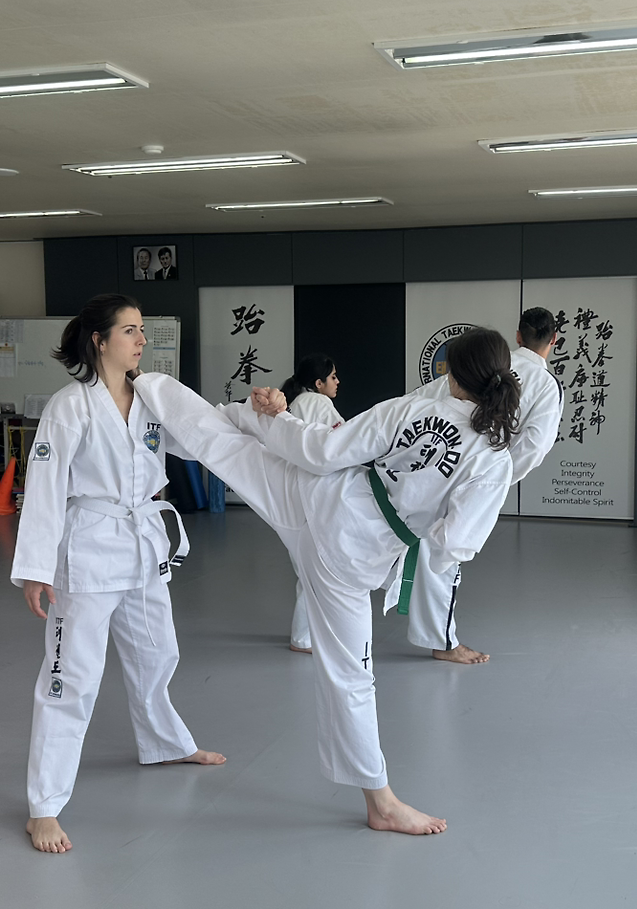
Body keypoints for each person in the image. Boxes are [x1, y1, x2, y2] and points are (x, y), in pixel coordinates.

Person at [131, 327, 520, 834]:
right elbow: (456, 545)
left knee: (228, 446)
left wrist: (276, 418)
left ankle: (142, 386)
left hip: (318, 496)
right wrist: (418, 525)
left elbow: (322, 452)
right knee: (351, 676)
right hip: (349, 555)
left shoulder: (411, 408)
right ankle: (380, 802)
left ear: (452, 374)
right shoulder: (492, 458)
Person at [12, 293, 224, 855]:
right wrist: (35, 568)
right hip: (88, 549)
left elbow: (202, 436)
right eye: (130, 330)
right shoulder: (70, 406)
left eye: (142, 330)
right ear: (99, 340)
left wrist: (253, 416)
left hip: (142, 545)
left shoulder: (151, 397)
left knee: (158, 651)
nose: (142, 340)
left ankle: (165, 743)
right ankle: (44, 806)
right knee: (71, 677)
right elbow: (46, 488)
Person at [404, 308, 564, 664]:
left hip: (434, 461)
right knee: (446, 552)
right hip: (475, 474)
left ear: (518, 336)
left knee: (415, 540)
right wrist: (495, 477)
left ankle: (435, 634)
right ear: (554, 340)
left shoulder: (486, 362)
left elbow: (420, 400)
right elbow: (535, 446)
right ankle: (443, 641)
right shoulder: (545, 385)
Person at [279, 353, 344, 653]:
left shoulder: (293, 403)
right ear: (318, 383)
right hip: (311, 495)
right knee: (315, 568)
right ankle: (303, 637)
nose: (337, 382)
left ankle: (307, 634)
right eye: (333, 377)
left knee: (307, 566)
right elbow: (341, 442)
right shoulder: (319, 403)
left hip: (289, 491)